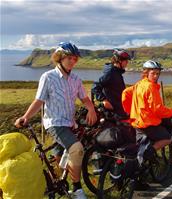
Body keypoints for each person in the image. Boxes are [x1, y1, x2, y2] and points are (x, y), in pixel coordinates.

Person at [15, 42, 97, 199]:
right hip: (55, 123)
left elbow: (85, 98)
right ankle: (77, 189)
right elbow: (39, 101)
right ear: (60, 58)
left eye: (75, 59)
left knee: (61, 159)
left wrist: (91, 108)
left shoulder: (75, 79)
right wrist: (25, 117)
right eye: (69, 58)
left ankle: (56, 184)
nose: (73, 61)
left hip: (70, 123)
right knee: (77, 149)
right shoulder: (48, 77)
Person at [122, 60, 172, 152]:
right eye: (153, 73)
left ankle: (142, 159)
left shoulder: (139, 84)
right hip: (147, 123)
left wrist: (130, 111)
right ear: (146, 73)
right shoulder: (150, 87)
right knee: (168, 138)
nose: (155, 76)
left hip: (136, 122)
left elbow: (125, 93)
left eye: (158, 74)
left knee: (140, 145)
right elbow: (157, 109)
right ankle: (148, 152)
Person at [91, 48, 131, 118]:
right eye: (125, 60)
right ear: (118, 61)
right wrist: (104, 100)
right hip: (113, 110)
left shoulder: (117, 72)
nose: (127, 62)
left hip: (119, 107)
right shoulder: (111, 72)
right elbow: (95, 86)